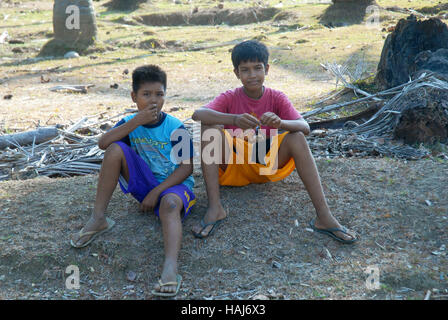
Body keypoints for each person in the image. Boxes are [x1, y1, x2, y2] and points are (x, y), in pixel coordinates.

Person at [191, 40, 358, 244]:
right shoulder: (230, 97)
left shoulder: (276, 97)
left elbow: (305, 128)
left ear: (267, 69)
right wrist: (233, 120)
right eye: (245, 70)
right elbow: (197, 114)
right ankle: (215, 208)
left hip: (265, 164)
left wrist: (281, 123)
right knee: (209, 128)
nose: (252, 75)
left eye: (257, 68)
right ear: (236, 73)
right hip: (234, 163)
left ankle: (324, 216)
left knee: (295, 136)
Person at [70, 65, 196, 297]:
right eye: (146, 94)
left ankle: (170, 269)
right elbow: (103, 143)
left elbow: (186, 167)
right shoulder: (130, 122)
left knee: (169, 205)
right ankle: (98, 219)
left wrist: (156, 192)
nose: (154, 100)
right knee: (116, 149)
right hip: (144, 183)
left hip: (174, 188)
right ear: (133, 97)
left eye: (159, 94)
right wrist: (135, 122)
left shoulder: (175, 127)